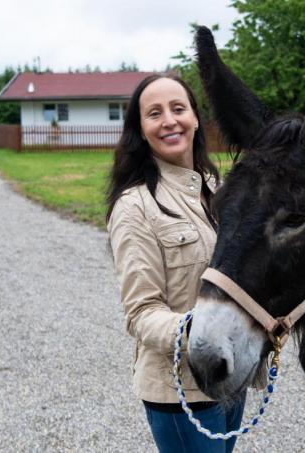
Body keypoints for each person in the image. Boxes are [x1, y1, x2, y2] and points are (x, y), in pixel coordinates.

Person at [106, 73, 245, 453]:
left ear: (195, 118)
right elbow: (142, 313)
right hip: (179, 390)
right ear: (141, 129)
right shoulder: (135, 207)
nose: (169, 120)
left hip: (231, 377)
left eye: (178, 108)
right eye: (154, 113)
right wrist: (202, 333)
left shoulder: (218, 190)